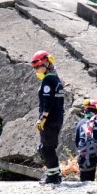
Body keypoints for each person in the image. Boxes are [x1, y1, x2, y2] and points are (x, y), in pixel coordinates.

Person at [31, 50, 64, 185]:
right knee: (48, 147)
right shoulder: (56, 79)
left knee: (46, 148)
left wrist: (43, 118)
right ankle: (55, 174)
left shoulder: (48, 79)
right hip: (57, 118)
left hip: (49, 119)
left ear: (46, 63)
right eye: (35, 67)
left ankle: (53, 176)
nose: (36, 70)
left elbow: (47, 101)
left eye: (38, 66)